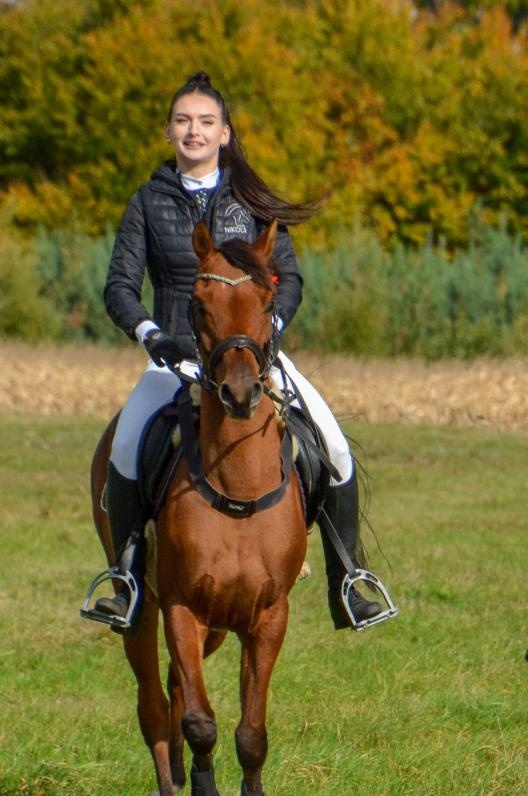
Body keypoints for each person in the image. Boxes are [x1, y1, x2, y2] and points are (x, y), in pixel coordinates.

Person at [89, 71, 392, 632]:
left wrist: (270, 328)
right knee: (125, 447)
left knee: (334, 445)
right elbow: (119, 288)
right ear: (168, 131)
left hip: (254, 358)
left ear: (225, 133)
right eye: (183, 121)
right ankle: (127, 580)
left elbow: (291, 277)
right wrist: (151, 335)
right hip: (176, 359)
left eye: (205, 122)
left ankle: (348, 579)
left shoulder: (251, 200)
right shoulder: (148, 202)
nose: (194, 131)